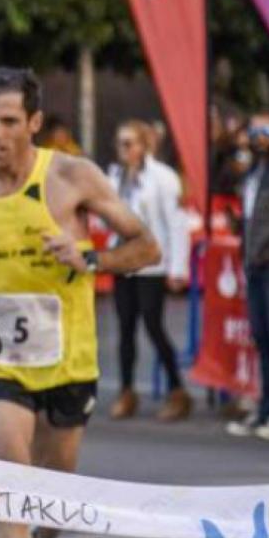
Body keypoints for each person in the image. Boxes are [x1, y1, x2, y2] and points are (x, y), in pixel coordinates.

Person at [0, 68, 159, 538]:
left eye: (9, 121)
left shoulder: (72, 178)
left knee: (52, 491)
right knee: (8, 488)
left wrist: (90, 257)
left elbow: (147, 246)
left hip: (66, 363)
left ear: (33, 122)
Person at [106, 120, 192, 421]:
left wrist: (178, 267)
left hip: (152, 264)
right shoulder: (115, 176)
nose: (123, 149)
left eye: (129, 143)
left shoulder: (163, 178)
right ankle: (126, 391)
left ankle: (177, 391)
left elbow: (176, 224)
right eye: (120, 143)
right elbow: (107, 217)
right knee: (125, 329)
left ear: (144, 146)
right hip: (123, 261)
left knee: (154, 327)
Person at [227, 112, 269, 440]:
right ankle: (267, 410)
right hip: (254, 263)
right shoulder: (254, 172)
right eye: (254, 130)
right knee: (262, 339)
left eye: (267, 130)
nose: (259, 136)